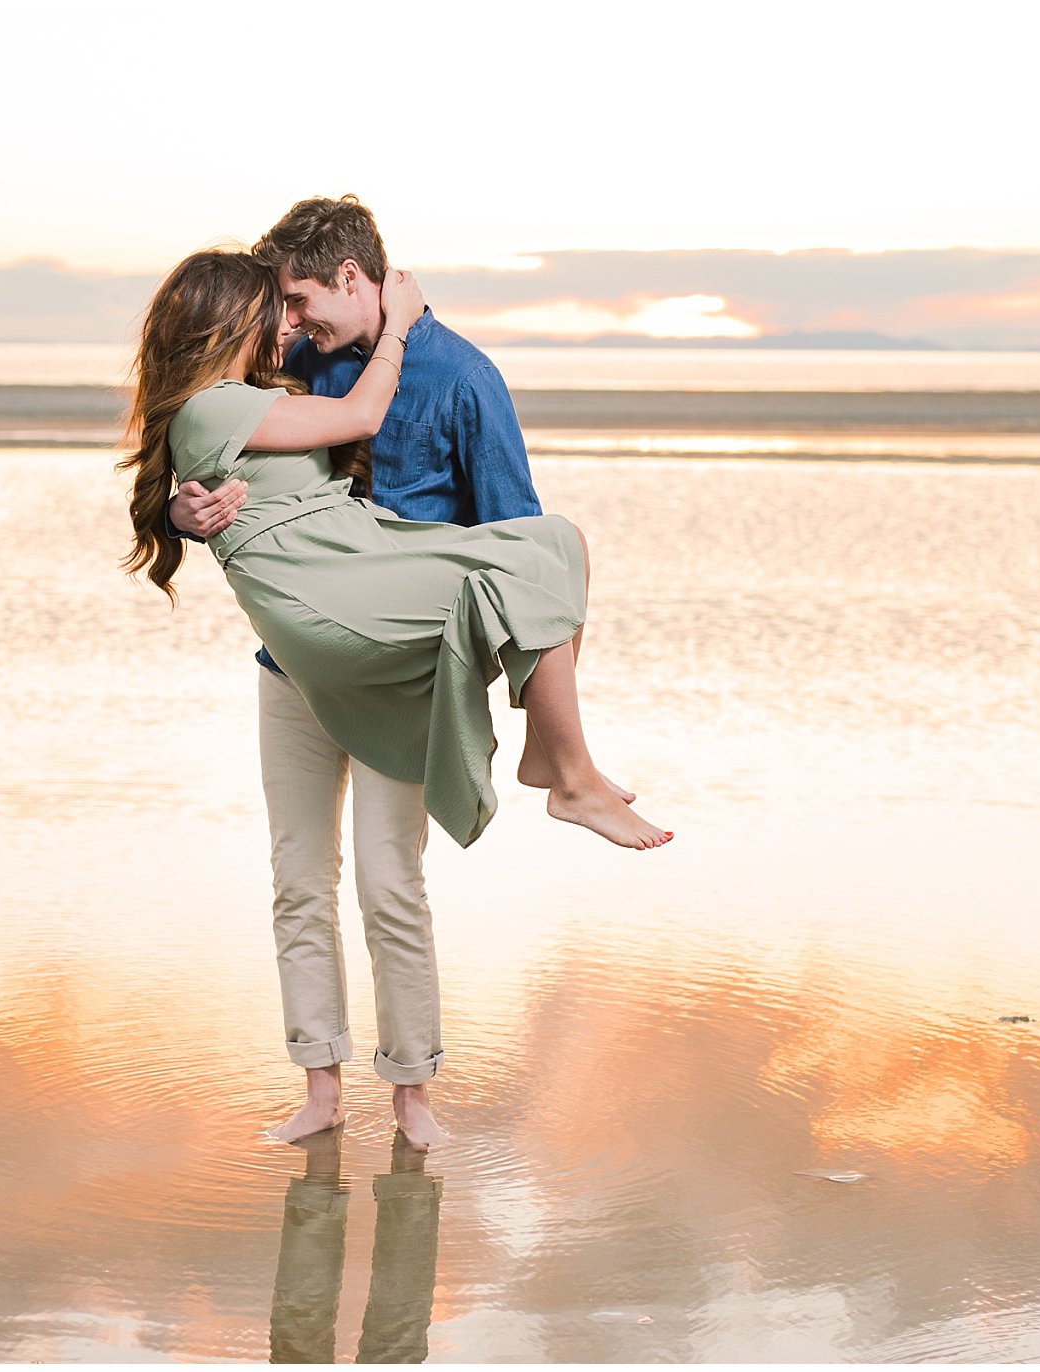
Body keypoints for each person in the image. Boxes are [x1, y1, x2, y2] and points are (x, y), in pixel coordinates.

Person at [119, 243, 670, 1144]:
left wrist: (503, 652)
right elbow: (193, 461)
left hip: (399, 648)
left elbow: (507, 517)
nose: (290, 324)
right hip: (297, 662)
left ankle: (413, 1092)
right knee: (300, 877)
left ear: (352, 276)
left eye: (298, 302)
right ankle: (322, 1087)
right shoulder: (270, 378)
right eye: (276, 309)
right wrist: (179, 511)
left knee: (390, 884)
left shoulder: (459, 376)